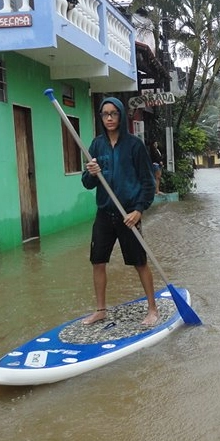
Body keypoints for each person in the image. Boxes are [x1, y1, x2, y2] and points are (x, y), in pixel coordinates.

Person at [81, 97, 159, 327]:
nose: (109, 118)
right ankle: (101, 310)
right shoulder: (97, 145)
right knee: (97, 261)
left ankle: (152, 309)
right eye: (105, 114)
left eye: (113, 113)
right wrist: (92, 173)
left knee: (140, 262)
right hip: (105, 213)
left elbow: (147, 183)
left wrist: (139, 211)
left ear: (121, 115)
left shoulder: (134, 146)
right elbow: (86, 183)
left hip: (128, 215)